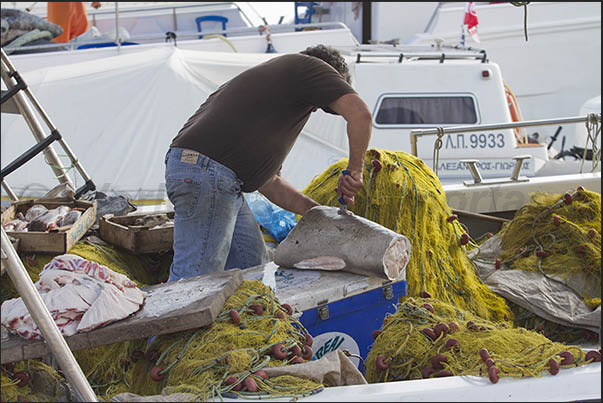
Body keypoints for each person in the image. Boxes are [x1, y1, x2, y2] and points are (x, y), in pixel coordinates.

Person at [165, 44, 372, 282]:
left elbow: (270, 183)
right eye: (326, 102)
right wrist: (355, 171)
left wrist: (319, 214)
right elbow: (360, 115)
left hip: (215, 176)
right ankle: (166, 319)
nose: (317, 109)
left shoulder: (275, 89)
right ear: (329, 75)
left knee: (250, 264)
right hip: (208, 173)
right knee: (193, 280)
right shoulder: (309, 66)